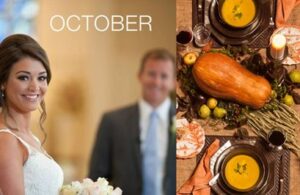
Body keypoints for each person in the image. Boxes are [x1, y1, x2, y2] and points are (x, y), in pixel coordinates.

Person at [89, 49, 176, 195]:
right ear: (140, 76)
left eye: (164, 76)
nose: (157, 81)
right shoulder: (112, 122)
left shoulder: (185, 122)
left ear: (174, 83)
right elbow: (96, 179)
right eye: (151, 74)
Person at [0, 34, 63, 195]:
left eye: (41, 78)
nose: (35, 87)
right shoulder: (6, 139)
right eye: (24, 77)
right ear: (3, 82)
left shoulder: (29, 137)